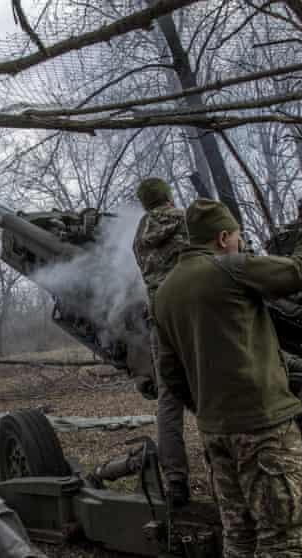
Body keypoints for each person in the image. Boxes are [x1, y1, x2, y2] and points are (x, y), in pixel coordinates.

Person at [154, 198, 302, 557]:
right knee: (284, 539)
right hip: (264, 427)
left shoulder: (163, 294)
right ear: (222, 238)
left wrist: (210, 407)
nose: (239, 242)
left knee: (240, 536)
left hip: (215, 432)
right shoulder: (230, 268)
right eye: (236, 236)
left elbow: (171, 374)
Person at [131, 176, 191, 507]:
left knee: (169, 402)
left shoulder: (140, 236)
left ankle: (177, 482)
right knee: (211, 391)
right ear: (167, 197)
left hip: (160, 322)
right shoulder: (188, 220)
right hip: (195, 316)